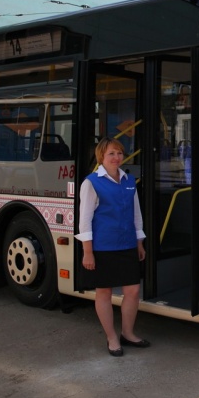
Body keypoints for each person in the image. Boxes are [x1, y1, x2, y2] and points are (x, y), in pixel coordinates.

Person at [77, 137, 150, 357]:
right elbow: (85, 220)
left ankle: (128, 333)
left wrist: (139, 242)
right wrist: (87, 252)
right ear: (101, 156)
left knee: (133, 290)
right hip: (103, 247)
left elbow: (136, 214)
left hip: (127, 243)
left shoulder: (129, 180)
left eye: (119, 153)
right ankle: (111, 337)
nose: (116, 157)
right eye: (111, 153)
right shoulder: (91, 182)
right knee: (104, 292)